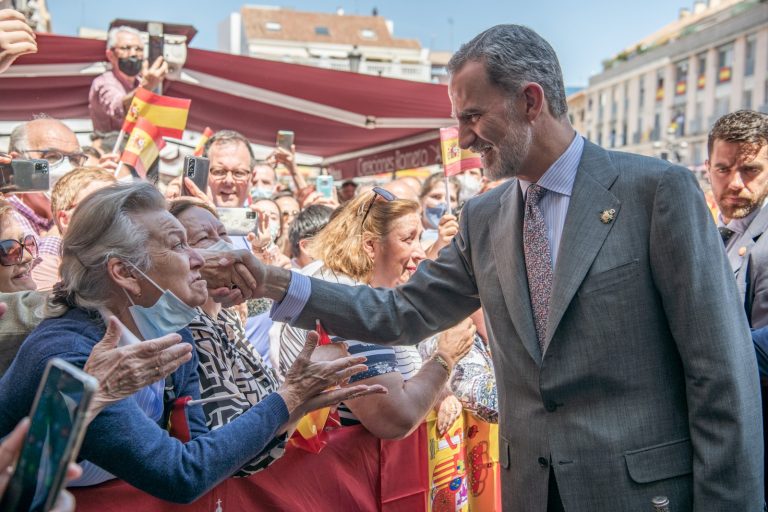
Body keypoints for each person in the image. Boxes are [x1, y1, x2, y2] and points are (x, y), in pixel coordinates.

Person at [236, 24, 763, 511]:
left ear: (531, 101)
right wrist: (271, 280)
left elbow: (721, 372)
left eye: (473, 116)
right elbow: (402, 312)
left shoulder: (656, 192)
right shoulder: (483, 217)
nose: (464, 139)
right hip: (530, 493)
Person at [0, 182, 384, 503]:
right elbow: (182, 474)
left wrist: (289, 408)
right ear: (125, 273)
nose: (199, 259)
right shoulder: (70, 356)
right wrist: (287, 400)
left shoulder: (173, 333)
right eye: (178, 245)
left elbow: (204, 446)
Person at [279, 188, 475, 437]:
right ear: (370, 245)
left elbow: (404, 373)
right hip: (344, 467)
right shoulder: (348, 302)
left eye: (420, 238)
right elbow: (394, 417)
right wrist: (445, 358)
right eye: (408, 239)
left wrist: (435, 390)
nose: (420, 252)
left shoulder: (361, 291)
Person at [708, 110, 768, 326]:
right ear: (708, 169)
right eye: (723, 169)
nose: (735, 183)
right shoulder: (705, 232)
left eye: (750, 170)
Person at [32, 166, 117, 290]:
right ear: (65, 219)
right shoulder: (45, 266)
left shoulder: (135, 255)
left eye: (122, 204)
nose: (116, 213)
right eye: (100, 205)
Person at [6, 117, 88, 236]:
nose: (67, 169)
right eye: (51, 157)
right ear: (17, 162)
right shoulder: (5, 219)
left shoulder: (75, 215)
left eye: (74, 159)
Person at [88, 26, 168, 133]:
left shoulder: (141, 82)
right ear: (110, 55)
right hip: (109, 147)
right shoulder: (103, 82)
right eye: (126, 48)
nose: (133, 54)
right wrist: (146, 87)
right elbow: (119, 108)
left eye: (138, 49)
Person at [419, 173, 460, 260]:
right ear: (421, 200)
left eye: (451, 199)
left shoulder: (461, 239)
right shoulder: (409, 236)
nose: (444, 203)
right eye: (436, 197)